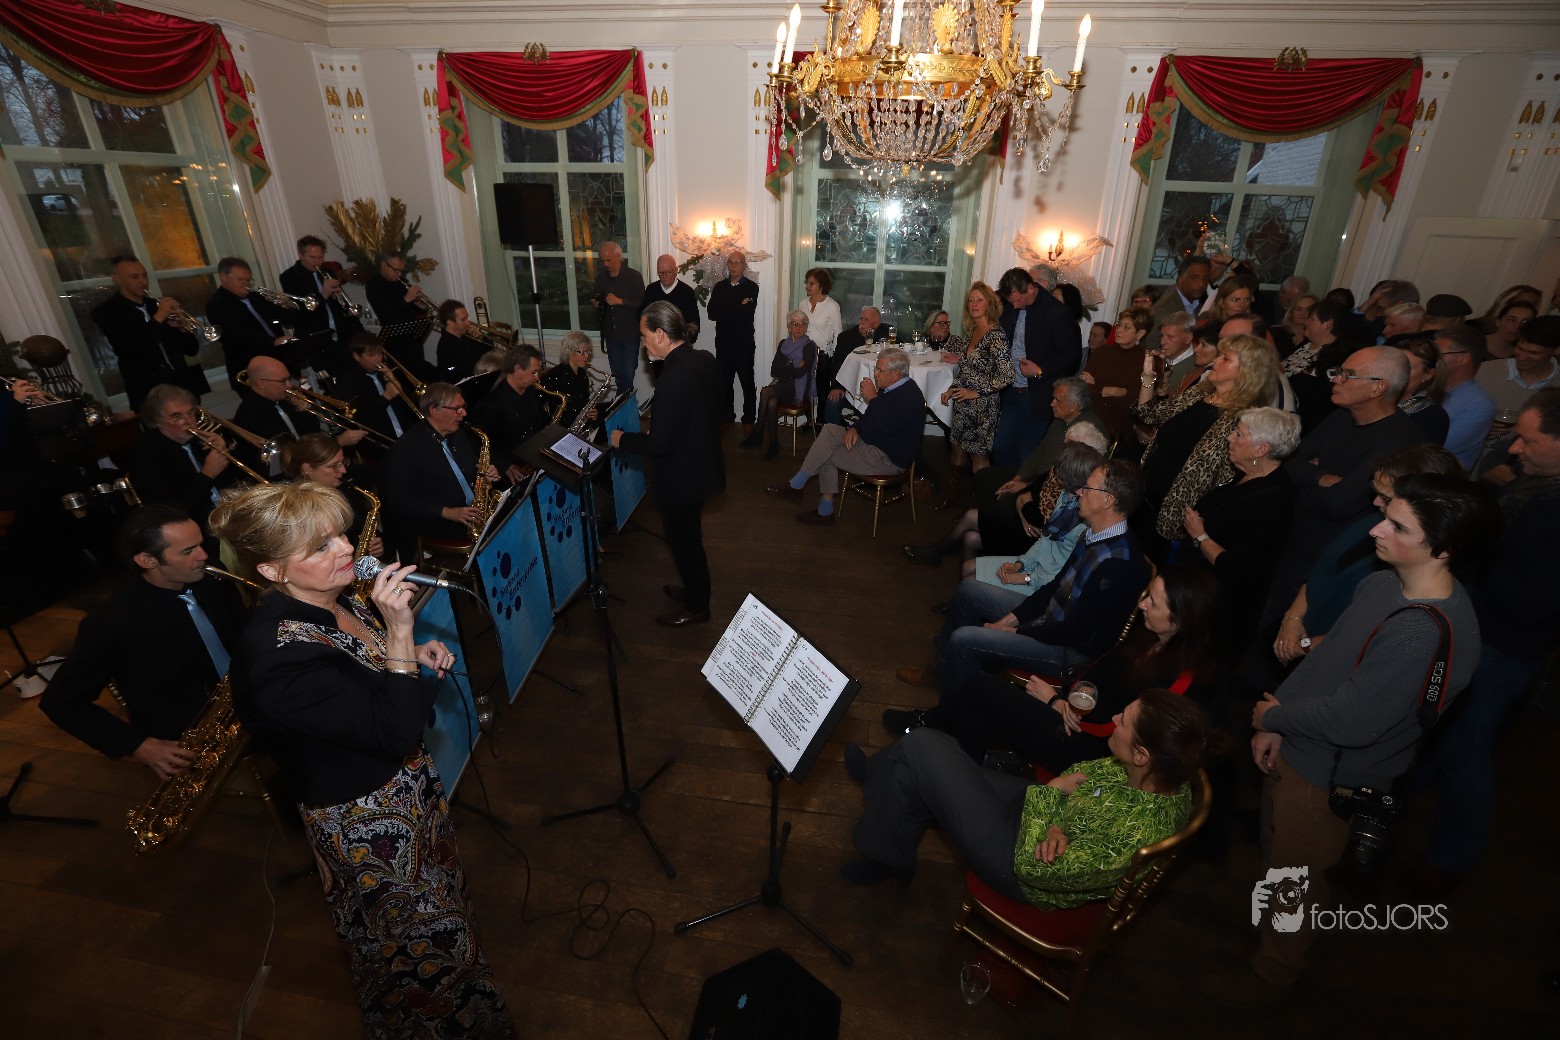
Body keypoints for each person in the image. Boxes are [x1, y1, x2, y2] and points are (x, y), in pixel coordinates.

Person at [211, 482, 515, 1037]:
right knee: (418, 951)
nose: (346, 548)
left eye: (340, 535)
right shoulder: (278, 656)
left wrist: (408, 656)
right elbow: (391, 733)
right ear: (272, 571)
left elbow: (366, 680)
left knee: (441, 922)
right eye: (320, 546)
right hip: (367, 825)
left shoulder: (337, 598)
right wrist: (399, 631)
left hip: (408, 796)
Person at [1206, 474, 1497, 1007]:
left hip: (1327, 779)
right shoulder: (1384, 584)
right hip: (1299, 747)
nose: (1376, 530)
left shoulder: (1420, 633)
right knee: (1280, 862)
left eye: (1398, 526)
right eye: (1386, 516)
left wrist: (1277, 717)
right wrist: (1280, 721)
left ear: (1444, 549)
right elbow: (1331, 661)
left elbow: (1352, 722)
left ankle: (1272, 975)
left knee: (1294, 882)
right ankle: (1269, 935)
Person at [841, 689, 1211, 900]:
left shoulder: (1135, 834)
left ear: (1141, 755)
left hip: (1017, 860)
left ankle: (876, 777)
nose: (1114, 718)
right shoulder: (1156, 772)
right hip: (1035, 811)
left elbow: (1037, 869)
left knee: (921, 744)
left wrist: (1053, 799)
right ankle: (890, 853)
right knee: (912, 768)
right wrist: (1056, 820)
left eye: (1124, 721)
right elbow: (1082, 774)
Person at [1407, 389, 1560, 892]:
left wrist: (1478, 547)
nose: (1514, 449)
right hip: (1476, 634)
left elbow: (1533, 602)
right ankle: (1389, 812)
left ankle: (1451, 860)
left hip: (1501, 651)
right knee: (1434, 732)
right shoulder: (1535, 486)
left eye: (1528, 440)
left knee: (1464, 754)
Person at [890, 458, 1150, 727]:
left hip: (1069, 652)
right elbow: (1054, 587)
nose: (1079, 492)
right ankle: (945, 671)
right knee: (969, 590)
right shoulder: (1093, 534)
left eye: (1087, 488)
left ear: (1108, 500)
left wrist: (1015, 632)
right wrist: (1009, 620)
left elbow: (1076, 633)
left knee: (964, 640)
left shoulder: (1120, 565)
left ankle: (943, 722)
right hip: (1052, 622)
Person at [948, 566, 1223, 776]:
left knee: (983, 690)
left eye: (1153, 602)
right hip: (1076, 720)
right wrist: (1076, 695)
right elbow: (1100, 667)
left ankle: (943, 742)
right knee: (979, 705)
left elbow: (1127, 730)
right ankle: (961, 769)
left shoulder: (1184, 681)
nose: (1142, 605)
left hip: (1096, 754)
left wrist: (1056, 703)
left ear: (1180, 621)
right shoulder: (1150, 636)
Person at [40, 506, 246, 779]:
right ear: (148, 561)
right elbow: (61, 702)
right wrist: (139, 746)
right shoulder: (112, 621)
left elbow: (242, 634)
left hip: (246, 693)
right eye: (188, 551)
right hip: (192, 725)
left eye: (200, 544)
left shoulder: (213, 577)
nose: (203, 555)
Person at [611, 301, 725, 626]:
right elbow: (708, 409)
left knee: (685, 545)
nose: (642, 343)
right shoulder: (703, 359)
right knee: (689, 540)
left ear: (661, 334)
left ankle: (698, 607)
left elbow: (660, 444)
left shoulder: (672, 378)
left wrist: (623, 440)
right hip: (701, 465)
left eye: (645, 336)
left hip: (681, 477)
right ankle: (693, 591)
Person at [1131, 334, 1278, 555]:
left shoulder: (1244, 420)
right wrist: (1148, 377)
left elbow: (1226, 481)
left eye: (1225, 358)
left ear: (1247, 372)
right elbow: (1148, 414)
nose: (1215, 361)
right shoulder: (1200, 393)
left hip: (1174, 519)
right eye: (1219, 355)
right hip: (1142, 493)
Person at [1181, 407, 1301, 655]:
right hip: (1198, 590)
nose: (1229, 438)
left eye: (1239, 434)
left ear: (1261, 449)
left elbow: (1237, 568)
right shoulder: (1248, 475)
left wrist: (1199, 535)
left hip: (1216, 609)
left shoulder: (1272, 500)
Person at [765, 346, 924, 525]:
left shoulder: (908, 396)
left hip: (887, 458)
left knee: (827, 454)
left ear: (895, 373)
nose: (875, 374)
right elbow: (871, 416)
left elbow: (888, 427)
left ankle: (822, 509)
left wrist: (872, 398)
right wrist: (854, 428)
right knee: (829, 430)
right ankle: (797, 485)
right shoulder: (891, 387)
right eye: (876, 368)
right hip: (873, 442)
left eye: (880, 370)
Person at [379, 382, 497, 561]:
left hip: (469, 511)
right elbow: (399, 502)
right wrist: (448, 512)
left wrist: (486, 473)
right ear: (434, 411)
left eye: (463, 407)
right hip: (437, 520)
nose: (464, 414)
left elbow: (472, 467)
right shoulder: (405, 449)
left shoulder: (457, 433)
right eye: (457, 409)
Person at [90, 255, 208, 409]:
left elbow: (191, 350)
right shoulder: (106, 312)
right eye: (135, 277)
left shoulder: (156, 305)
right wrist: (159, 317)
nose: (143, 282)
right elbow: (130, 349)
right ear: (116, 278)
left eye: (144, 276)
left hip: (184, 388)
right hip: (148, 395)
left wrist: (182, 329)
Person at [993, 268, 1084, 466]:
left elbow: (1071, 354)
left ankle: (1022, 485)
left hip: (1039, 395)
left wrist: (1041, 370)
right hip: (1010, 391)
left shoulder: (1056, 312)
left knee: (1027, 452)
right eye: (1011, 302)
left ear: (1031, 288)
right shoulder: (1011, 306)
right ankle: (1005, 482)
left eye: (1018, 300)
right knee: (1000, 446)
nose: (1015, 306)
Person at [128, 384, 246, 529]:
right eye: (177, 417)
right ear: (157, 421)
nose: (189, 421)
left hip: (230, 514)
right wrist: (207, 474)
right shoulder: (146, 454)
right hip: (196, 526)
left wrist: (225, 451)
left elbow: (237, 481)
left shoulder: (201, 439)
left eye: (191, 413)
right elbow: (171, 511)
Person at [939, 281, 1013, 507]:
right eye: (971, 300)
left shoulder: (996, 335)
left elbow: (1007, 375)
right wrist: (952, 389)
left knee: (978, 457)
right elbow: (967, 368)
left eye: (979, 300)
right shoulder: (972, 330)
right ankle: (951, 497)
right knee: (957, 448)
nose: (974, 304)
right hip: (963, 402)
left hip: (983, 406)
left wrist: (976, 392)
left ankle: (981, 507)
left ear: (989, 303)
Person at [280, 432, 383, 559]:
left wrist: (376, 544)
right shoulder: (297, 509)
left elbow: (362, 527)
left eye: (343, 462)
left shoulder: (346, 490)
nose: (343, 470)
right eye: (334, 466)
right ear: (308, 469)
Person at [205, 257, 294, 390]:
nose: (246, 284)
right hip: (250, 371)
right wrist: (272, 342)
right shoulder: (216, 305)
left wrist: (287, 307)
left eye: (248, 280)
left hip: (278, 364)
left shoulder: (257, 298)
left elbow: (287, 322)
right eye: (240, 279)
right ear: (223, 277)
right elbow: (235, 334)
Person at [279, 234, 363, 374]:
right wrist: (323, 294)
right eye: (312, 257)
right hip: (316, 340)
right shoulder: (289, 277)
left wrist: (338, 298)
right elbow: (299, 311)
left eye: (320, 257)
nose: (317, 262)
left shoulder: (327, 272)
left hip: (340, 336)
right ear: (300, 254)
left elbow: (337, 305)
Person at [470, 344, 552, 483]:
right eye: (534, 372)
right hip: (510, 475)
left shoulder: (532, 392)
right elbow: (477, 442)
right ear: (517, 368)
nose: (537, 378)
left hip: (535, 463)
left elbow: (542, 424)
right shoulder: (491, 403)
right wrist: (506, 466)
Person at [742, 309, 816, 459]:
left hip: (798, 389)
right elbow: (774, 369)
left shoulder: (809, 345)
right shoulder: (783, 344)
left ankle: (758, 433)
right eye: (795, 324)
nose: (798, 327)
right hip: (783, 385)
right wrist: (793, 368)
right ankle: (773, 443)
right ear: (789, 327)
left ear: (806, 327)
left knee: (765, 391)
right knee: (771, 402)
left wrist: (786, 369)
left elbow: (801, 373)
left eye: (802, 324)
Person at [332, 334, 421, 444]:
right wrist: (386, 397)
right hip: (380, 440)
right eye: (371, 355)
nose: (378, 359)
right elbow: (359, 419)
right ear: (357, 356)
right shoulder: (348, 381)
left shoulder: (386, 371)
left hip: (407, 432)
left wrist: (395, 381)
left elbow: (410, 405)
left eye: (380, 353)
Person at [706, 249, 760, 427]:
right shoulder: (720, 287)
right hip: (723, 344)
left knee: (747, 382)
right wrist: (737, 305)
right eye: (730, 262)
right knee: (724, 383)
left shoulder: (752, 288)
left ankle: (749, 419)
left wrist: (726, 308)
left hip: (744, 344)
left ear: (744, 265)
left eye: (737, 262)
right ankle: (726, 417)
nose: (733, 266)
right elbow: (712, 313)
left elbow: (746, 312)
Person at [1432, 323, 1496, 467]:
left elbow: (1435, 449)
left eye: (1438, 354)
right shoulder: (1425, 387)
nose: (1430, 359)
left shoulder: (1479, 405)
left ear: (1463, 358)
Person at [1081, 308, 1152, 437]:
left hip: (1114, 427)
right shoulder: (1102, 351)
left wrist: (1096, 389)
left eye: (1126, 327)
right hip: (1086, 417)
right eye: (1119, 324)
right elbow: (1082, 388)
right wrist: (1112, 391)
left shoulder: (1145, 361)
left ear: (1140, 333)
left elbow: (1130, 403)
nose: (1118, 330)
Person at [1475, 313, 1560, 420]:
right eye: (1520, 348)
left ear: (1557, 350)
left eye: (1533, 353)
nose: (1522, 357)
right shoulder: (1485, 371)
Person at [364, 250, 434, 374]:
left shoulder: (401, 281)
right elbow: (385, 312)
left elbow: (411, 308)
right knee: (403, 375)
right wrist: (407, 298)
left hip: (412, 338)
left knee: (420, 371)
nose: (398, 274)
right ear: (384, 265)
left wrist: (420, 304)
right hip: (394, 342)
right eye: (395, 270)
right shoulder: (373, 285)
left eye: (401, 270)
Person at [818, 305, 886, 426]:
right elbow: (837, 363)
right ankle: (835, 433)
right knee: (833, 402)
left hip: (880, 388)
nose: (862, 322)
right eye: (861, 319)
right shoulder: (846, 337)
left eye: (866, 320)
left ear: (876, 324)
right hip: (849, 386)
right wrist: (837, 386)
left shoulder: (885, 335)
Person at [593, 241, 645, 392]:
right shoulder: (601, 278)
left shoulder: (634, 276)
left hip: (629, 333)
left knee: (628, 371)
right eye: (602, 260)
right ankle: (624, 400)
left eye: (608, 260)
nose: (605, 264)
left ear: (618, 257)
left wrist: (620, 301)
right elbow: (597, 299)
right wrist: (597, 304)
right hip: (610, 333)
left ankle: (623, 400)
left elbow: (642, 303)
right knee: (617, 372)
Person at [1396, 337, 1451, 445]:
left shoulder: (1432, 417)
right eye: (1395, 365)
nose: (1397, 371)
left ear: (1427, 375)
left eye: (1407, 367)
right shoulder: (1376, 398)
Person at [541, 330, 601, 427]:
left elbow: (583, 403)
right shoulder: (554, 375)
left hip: (577, 426)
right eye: (582, 352)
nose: (587, 356)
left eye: (588, 351)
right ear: (570, 352)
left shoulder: (582, 374)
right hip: (560, 427)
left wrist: (591, 413)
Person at [640, 252, 700, 338]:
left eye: (668, 272)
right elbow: (642, 315)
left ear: (676, 271)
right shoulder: (651, 289)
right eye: (661, 273)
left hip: (678, 341)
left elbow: (694, 324)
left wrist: (684, 341)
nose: (664, 276)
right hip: (655, 340)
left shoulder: (687, 292)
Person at [1150, 255, 1212, 324]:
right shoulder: (1163, 312)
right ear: (1180, 280)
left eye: (1205, 278)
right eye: (1194, 278)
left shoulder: (1201, 302)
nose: (1201, 284)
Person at [434, 299, 486, 381]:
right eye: (463, 319)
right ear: (450, 323)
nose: (468, 323)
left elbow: (488, 352)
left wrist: (481, 338)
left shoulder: (466, 336)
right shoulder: (446, 346)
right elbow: (459, 372)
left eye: (467, 318)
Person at [800, 267, 842, 357]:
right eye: (807, 282)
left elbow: (838, 334)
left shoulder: (832, 306)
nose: (807, 286)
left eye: (812, 283)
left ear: (822, 286)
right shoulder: (803, 304)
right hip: (804, 351)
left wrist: (834, 356)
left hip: (823, 354)